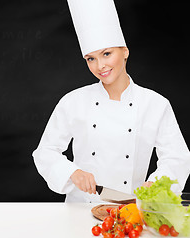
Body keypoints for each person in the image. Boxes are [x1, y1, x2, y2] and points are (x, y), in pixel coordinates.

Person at [32, 0, 190, 202]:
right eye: (91, 58)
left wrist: (156, 183)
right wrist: (72, 172)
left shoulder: (155, 104)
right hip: (80, 209)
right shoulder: (73, 102)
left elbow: (177, 157)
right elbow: (45, 152)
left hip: (129, 210)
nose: (100, 66)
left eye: (107, 54)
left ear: (124, 51)